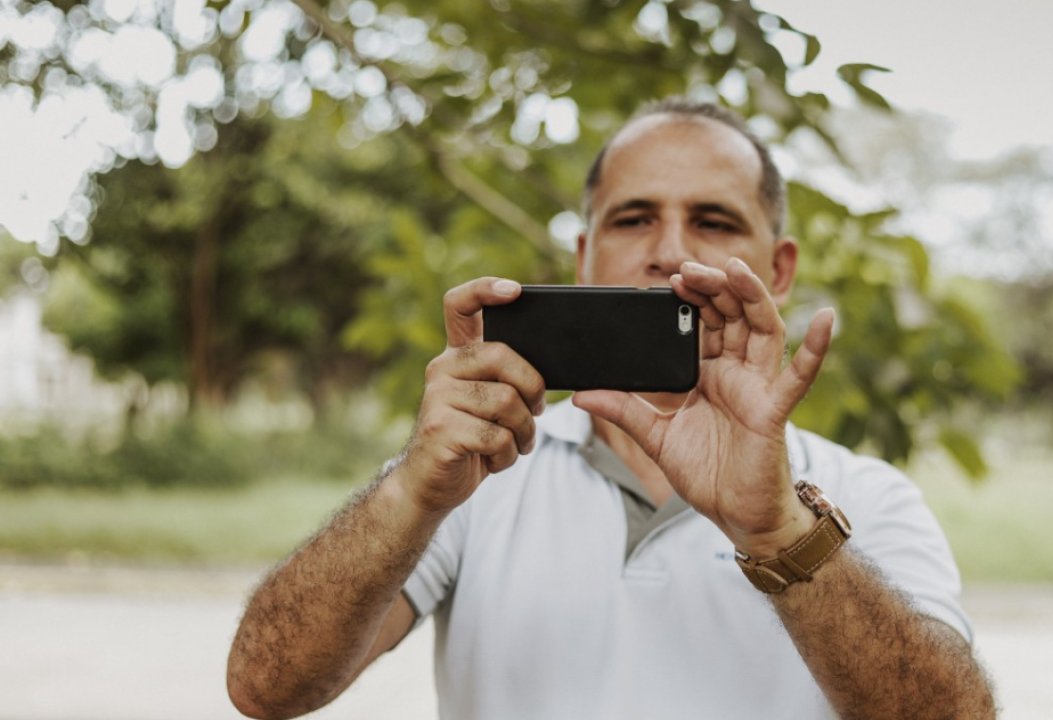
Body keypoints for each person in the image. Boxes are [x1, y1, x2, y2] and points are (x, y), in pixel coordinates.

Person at [227, 98, 996, 720]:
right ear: (582, 255)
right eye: (633, 219)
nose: (668, 250)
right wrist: (410, 490)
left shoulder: (863, 497)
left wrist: (779, 532)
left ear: (780, 266)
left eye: (714, 221)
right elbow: (267, 688)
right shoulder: (476, 470)